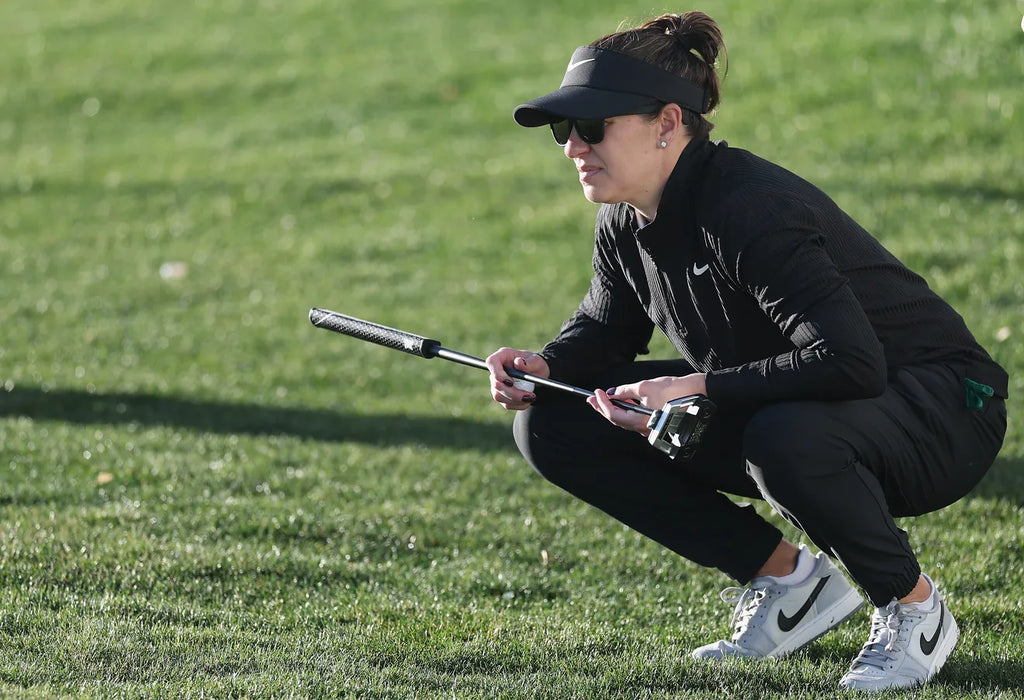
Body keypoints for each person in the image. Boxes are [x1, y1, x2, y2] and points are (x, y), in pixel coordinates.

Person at [484, 10, 1008, 693]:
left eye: (592, 127)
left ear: (668, 124)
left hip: (945, 409)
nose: (573, 148)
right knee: (552, 418)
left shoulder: (747, 205)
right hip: (811, 403)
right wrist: (547, 366)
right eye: (563, 131)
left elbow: (851, 360)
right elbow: (607, 327)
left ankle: (914, 609)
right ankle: (788, 581)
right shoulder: (624, 215)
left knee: (780, 436)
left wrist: (698, 388)